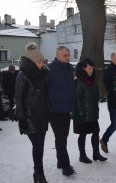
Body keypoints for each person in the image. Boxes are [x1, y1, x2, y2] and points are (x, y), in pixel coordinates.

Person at [15, 42, 49, 183]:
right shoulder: (23, 75)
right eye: (40, 62)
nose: (42, 64)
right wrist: (21, 118)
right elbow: (18, 97)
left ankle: (37, 174)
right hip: (29, 117)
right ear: (33, 62)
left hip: (42, 116)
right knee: (38, 146)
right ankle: (39, 175)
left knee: (39, 146)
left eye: (43, 62)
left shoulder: (42, 74)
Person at [47, 46, 76, 176]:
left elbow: (71, 89)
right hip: (54, 110)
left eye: (68, 54)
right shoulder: (49, 69)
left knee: (63, 138)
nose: (68, 57)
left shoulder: (70, 69)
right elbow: (44, 90)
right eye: (65, 55)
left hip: (66, 109)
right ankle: (65, 165)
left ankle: (60, 161)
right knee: (60, 138)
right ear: (57, 55)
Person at [72, 58, 107, 163]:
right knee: (82, 134)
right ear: (83, 69)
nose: (92, 70)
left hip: (92, 113)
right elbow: (77, 100)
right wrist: (82, 115)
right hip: (81, 114)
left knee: (96, 132)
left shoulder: (92, 81)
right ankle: (82, 155)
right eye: (90, 68)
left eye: (93, 68)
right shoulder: (77, 82)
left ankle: (96, 153)